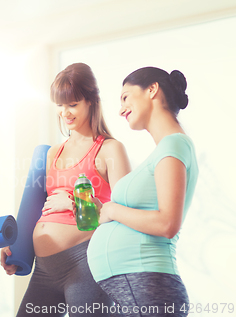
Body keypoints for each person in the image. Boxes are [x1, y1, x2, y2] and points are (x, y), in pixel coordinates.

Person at [0, 63, 131, 316]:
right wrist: (14, 243)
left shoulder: (109, 149)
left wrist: (75, 202)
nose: (65, 112)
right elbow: (36, 210)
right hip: (43, 268)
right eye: (60, 105)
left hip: (85, 264)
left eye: (73, 104)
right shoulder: (51, 154)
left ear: (92, 100)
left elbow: (125, 216)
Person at [87, 67, 198, 317]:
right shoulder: (165, 149)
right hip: (137, 288)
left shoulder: (174, 144)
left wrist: (112, 210)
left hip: (146, 286)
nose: (120, 109)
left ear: (152, 90)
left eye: (125, 97)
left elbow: (167, 223)